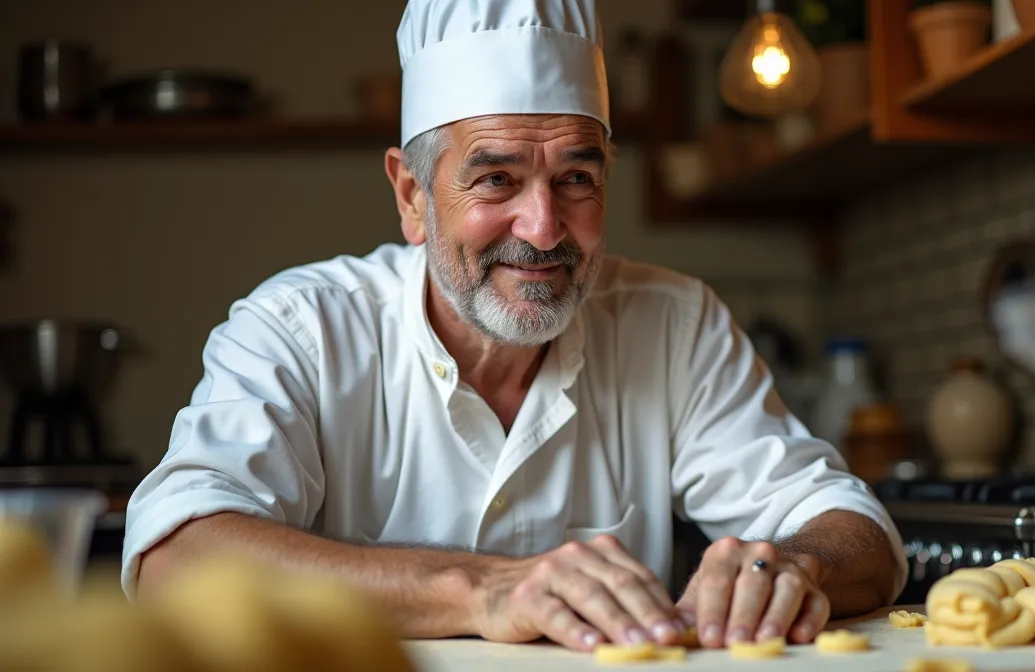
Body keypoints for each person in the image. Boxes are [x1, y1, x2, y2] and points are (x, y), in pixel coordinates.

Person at [123, 0, 907, 653]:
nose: (541, 228)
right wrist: (481, 588)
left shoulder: (675, 324)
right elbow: (175, 557)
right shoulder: (302, 328)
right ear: (411, 195)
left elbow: (855, 531)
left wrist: (797, 566)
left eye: (576, 178)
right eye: (496, 178)